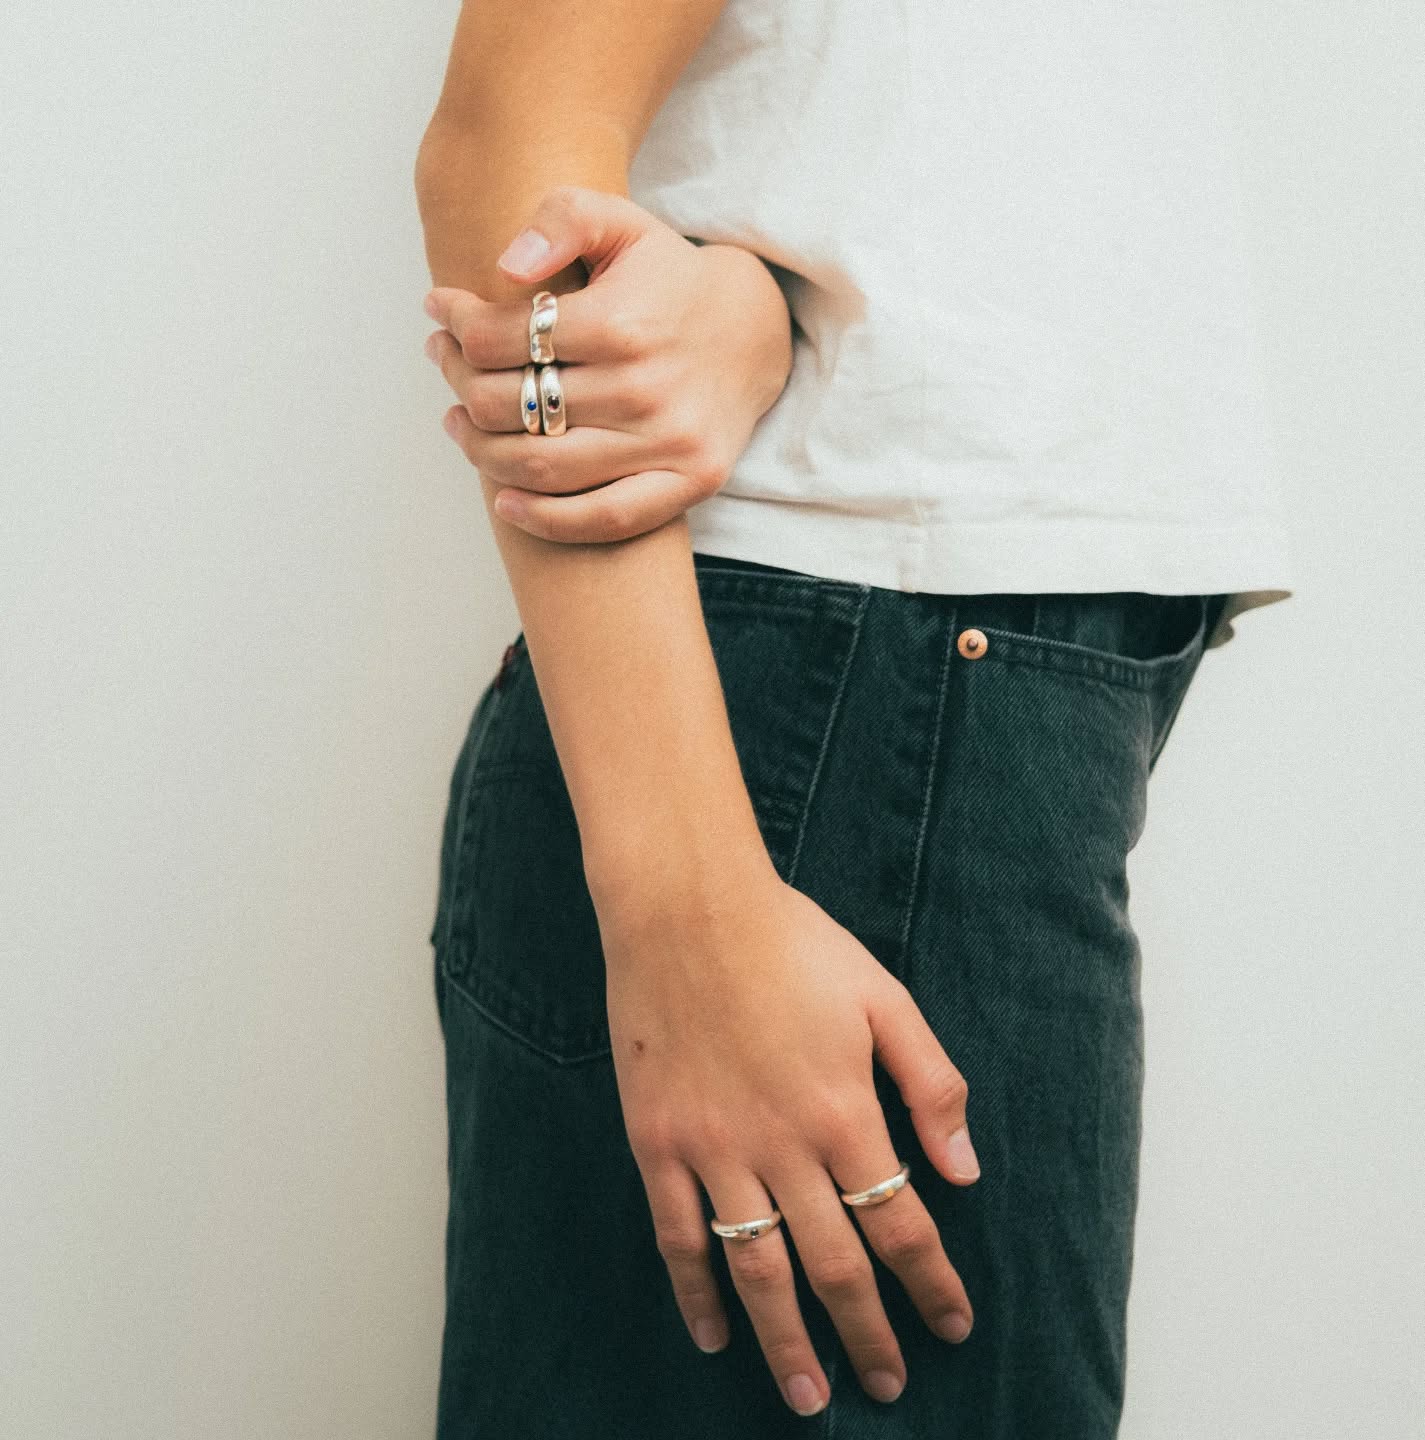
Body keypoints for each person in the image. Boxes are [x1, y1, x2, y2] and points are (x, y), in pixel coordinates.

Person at [413, 2, 1293, 1435]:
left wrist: (764, 288)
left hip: (912, 707)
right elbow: (510, 133)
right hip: (821, 725)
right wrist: (687, 908)